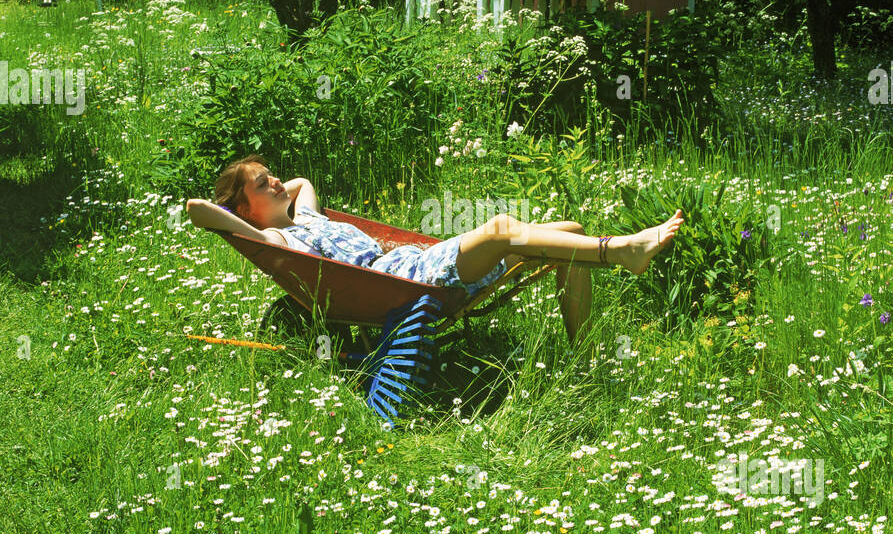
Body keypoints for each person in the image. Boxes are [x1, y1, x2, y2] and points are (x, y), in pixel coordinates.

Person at [185, 155, 684, 345]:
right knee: (501, 228)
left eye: (271, 174)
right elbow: (198, 210)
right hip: (399, 282)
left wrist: (268, 189)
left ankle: (585, 351)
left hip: (414, 263)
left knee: (569, 232)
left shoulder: (308, 216)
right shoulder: (279, 240)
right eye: (262, 183)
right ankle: (622, 250)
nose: (277, 182)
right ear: (245, 209)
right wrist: (242, 216)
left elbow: (302, 181)